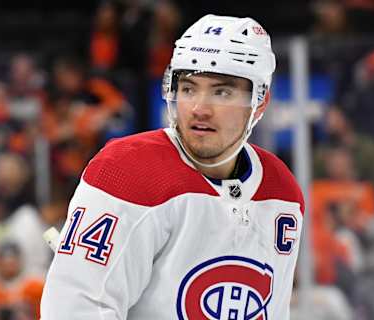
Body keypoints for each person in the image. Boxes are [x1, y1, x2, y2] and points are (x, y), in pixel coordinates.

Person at [41, 14, 304, 319]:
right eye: (189, 88)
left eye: (222, 92)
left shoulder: (280, 190)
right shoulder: (127, 171)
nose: (199, 109)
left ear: (260, 101)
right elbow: (75, 308)